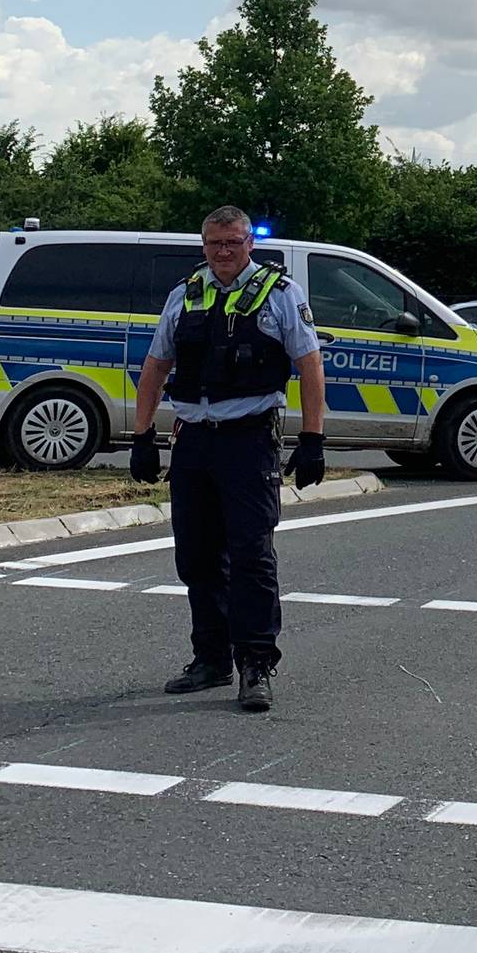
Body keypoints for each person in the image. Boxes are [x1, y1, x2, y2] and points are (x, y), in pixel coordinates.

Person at [130, 205, 329, 713]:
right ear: (204, 245)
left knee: (251, 554)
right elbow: (156, 365)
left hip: (248, 440)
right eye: (215, 243)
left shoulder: (281, 295)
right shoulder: (184, 295)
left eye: (233, 243)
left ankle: (256, 664)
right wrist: (142, 436)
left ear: (249, 245)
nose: (224, 252)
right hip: (194, 438)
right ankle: (210, 658)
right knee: (196, 555)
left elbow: (309, 366)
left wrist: (312, 438)